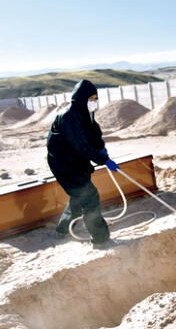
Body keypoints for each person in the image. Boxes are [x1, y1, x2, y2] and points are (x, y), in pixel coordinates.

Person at [47, 79, 120, 245]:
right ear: (81, 98)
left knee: (79, 195)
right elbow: (81, 146)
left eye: (96, 99)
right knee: (89, 197)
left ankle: (62, 229)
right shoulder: (68, 117)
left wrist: (101, 149)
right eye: (91, 99)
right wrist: (103, 160)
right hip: (64, 164)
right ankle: (101, 239)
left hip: (77, 161)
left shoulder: (86, 115)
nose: (94, 102)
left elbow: (94, 134)